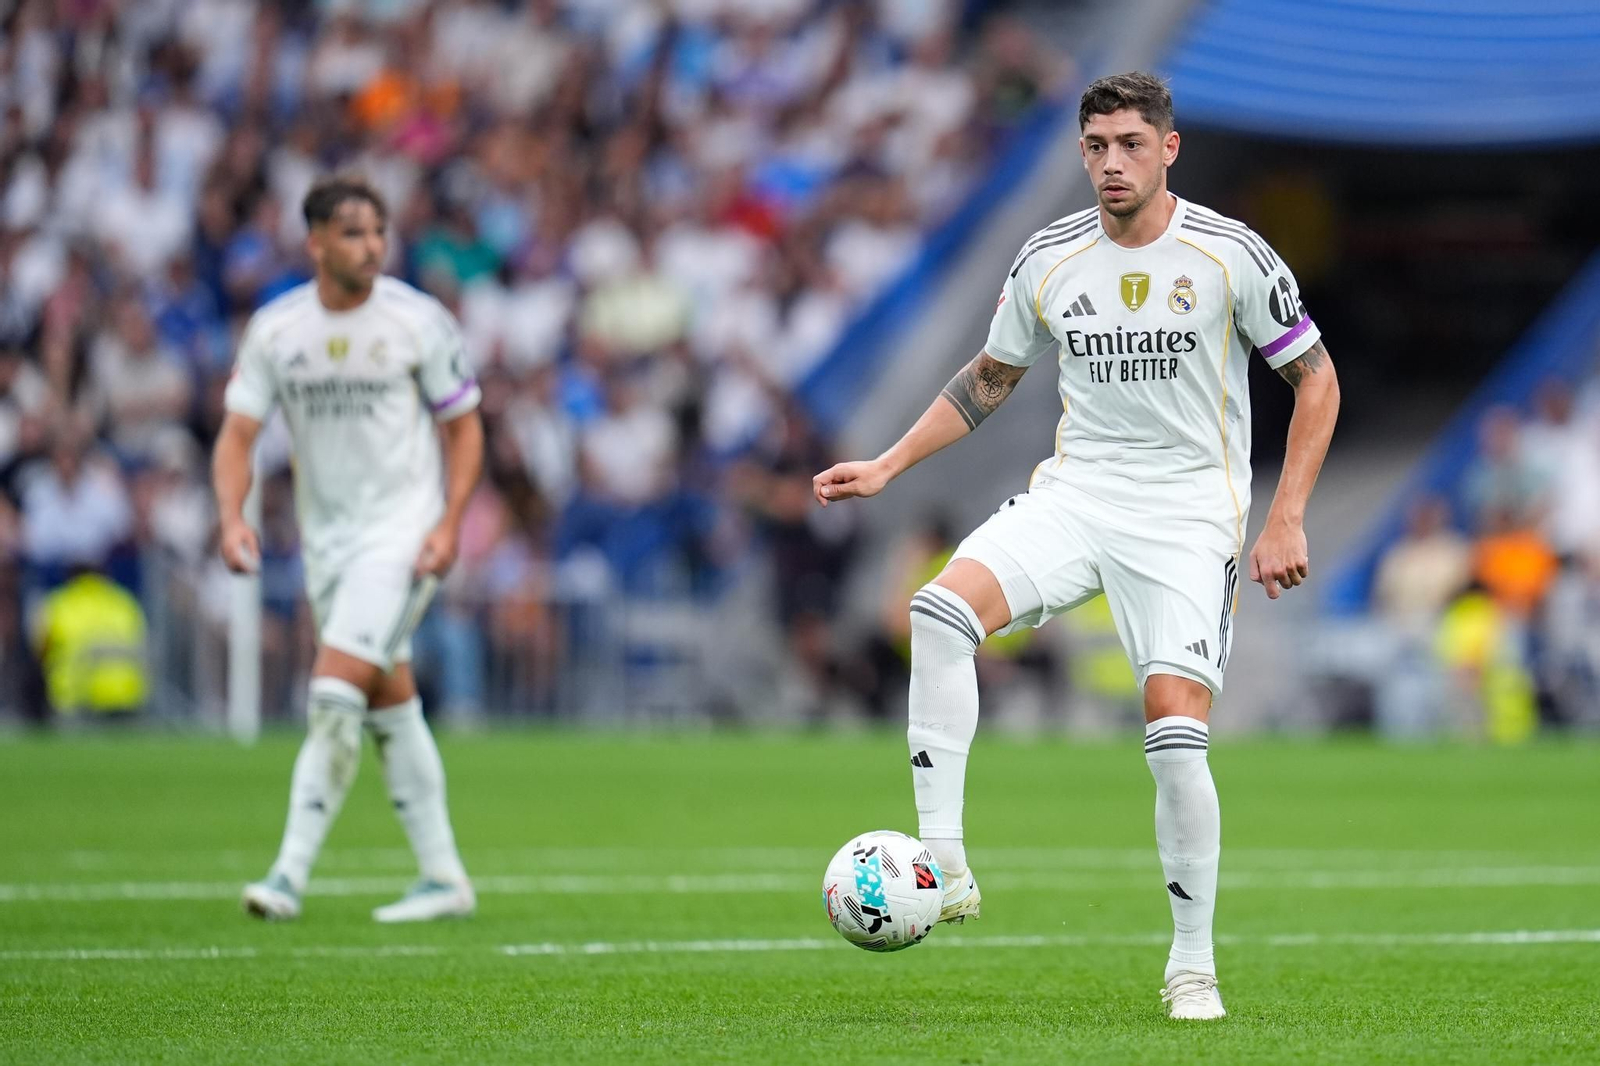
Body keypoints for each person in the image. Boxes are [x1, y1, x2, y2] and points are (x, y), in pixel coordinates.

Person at [812, 73, 1340, 1020]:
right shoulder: (1049, 257)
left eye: (1131, 144)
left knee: (1175, 735)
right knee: (937, 610)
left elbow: (1316, 380)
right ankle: (945, 862)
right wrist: (890, 465)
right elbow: (990, 376)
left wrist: (1287, 513)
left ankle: (1192, 964)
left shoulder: (1230, 254)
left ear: (1168, 148)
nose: (1111, 162)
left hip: (1186, 516)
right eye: (1096, 145)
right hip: (1079, 493)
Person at [212, 175, 485, 923]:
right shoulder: (276, 330)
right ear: (317, 242)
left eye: (379, 231)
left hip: (402, 534)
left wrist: (449, 521)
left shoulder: (418, 321)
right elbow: (238, 434)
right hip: (326, 544)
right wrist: (233, 517)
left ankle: (287, 875)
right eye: (355, 233)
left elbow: (464, 427)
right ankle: (445, 879)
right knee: (387, 700)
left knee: (332, 693)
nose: (372, 246)